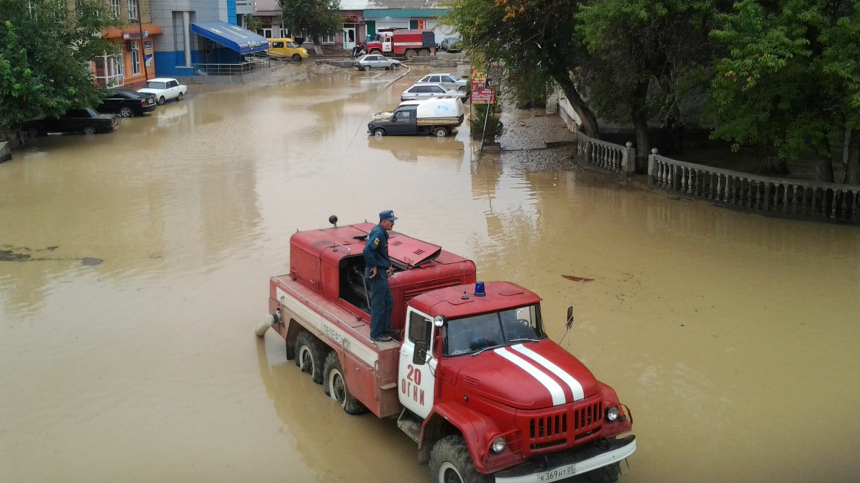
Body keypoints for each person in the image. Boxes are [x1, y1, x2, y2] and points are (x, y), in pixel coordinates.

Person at [363, 210, 399, 342]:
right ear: (383, 222)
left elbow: (382, 251)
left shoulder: (381, 232)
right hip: (377, 275)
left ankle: (385, 328)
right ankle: (376, 334)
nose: (393, 224)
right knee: (379, 304)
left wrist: (388, 264)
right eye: (391, 221)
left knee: (388, 301)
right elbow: (367, 250)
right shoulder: (378, 233)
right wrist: (373, 266)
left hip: (382, 272)